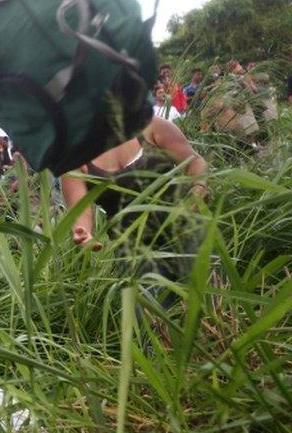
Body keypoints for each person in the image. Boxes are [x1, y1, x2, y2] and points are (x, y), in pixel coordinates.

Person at [61, 117, 207, 301]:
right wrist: (82, 232)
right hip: (134, 254)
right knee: (155, 322)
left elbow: (195, 163)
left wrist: (198, 190)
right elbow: (80, 210)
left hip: (186, 230)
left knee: (215, 304)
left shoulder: (150, 125)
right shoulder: (73, 158)